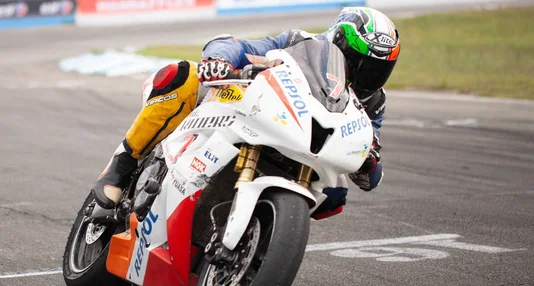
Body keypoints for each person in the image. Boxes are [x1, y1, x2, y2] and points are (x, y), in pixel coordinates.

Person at [93, 6, 400, 219]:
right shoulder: (301, 43)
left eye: (378, 70)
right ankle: (121, 167)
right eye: (361, 64)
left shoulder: (374, 102)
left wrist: (369, 162)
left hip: (305, 150)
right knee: (185, 75)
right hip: (259, 114)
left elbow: (370, 153)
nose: (368, 76)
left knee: (336, 194)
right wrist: (218, 59)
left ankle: (266, 235)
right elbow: (235, 45)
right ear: (339, 42)